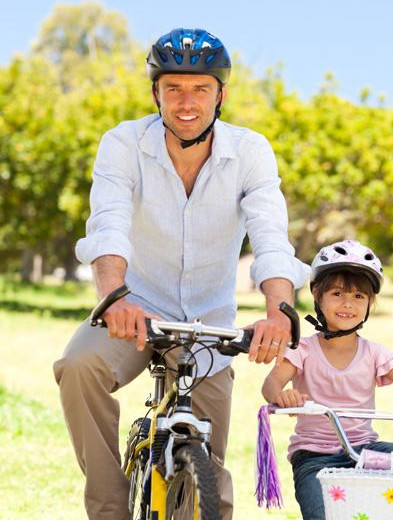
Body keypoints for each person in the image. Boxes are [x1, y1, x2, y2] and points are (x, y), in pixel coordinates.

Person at [53, 28, 310, 520]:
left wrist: (279, 311)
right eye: (173, 88)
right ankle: (109, 509)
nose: (186, 102)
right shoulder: (124, 143)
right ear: (156, 93)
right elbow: (107, 224)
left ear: (221, 95)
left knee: (209, 472)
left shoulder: (250, 151)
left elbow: (271, 235)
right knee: (78, 367)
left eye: (200, 89)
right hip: (133, 312)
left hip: (210, 320)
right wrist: (115, 298)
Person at [262, 239, 393, 520]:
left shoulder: (373, 353)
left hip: (363, 449)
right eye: (337, 294)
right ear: (317, 294)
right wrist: (280, 395)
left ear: (370, 303)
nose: (348, 304)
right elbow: (271, 383)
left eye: (358, 297)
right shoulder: (303, 350)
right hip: (314, 456)